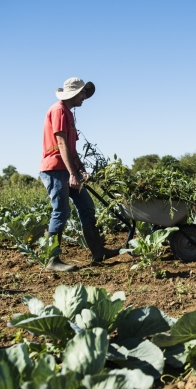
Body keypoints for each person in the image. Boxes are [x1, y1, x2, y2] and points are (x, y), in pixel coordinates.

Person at [39, 77, 120, 271]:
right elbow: (61, 144)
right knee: (61, 211)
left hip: (67, 168)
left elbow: (72, 149)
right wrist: (72, 174)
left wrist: (81, 169)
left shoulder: (69, 113)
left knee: (86, 206)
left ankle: (98, 251)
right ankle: (51, 260)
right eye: (83, 93)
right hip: (55, 170)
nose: (85, 97)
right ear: (73, 93)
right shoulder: (59, 110)